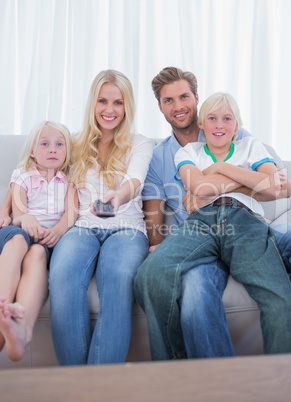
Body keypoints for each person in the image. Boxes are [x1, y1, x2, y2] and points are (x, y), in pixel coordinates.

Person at [134, 66, 291, 360]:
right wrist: (245, 181)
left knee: (280, 298)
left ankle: (283, 382)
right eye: (168, 100)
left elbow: (280, 187)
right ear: (159, 107)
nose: (178, 106)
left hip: (245, 222)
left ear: (196, 99)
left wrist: (221, 176)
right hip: (200, 230)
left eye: (184, 96)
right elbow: (193, 191)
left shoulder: (242, 139)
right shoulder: (175, 154)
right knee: (150, 276)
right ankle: (178, 373)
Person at [48, 69, 153, 365]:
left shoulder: (140, 142)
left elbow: (135, 180)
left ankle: (100, 389)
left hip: (127, 229)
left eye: (118, 103)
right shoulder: (73, 141)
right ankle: (76, 387)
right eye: (102, 101)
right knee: (63, 276)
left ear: (127, 106)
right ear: (92, 103)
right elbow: (35, 174)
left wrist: (118, 197)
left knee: (119, 279)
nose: (109, 110)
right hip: (81, 227)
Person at [0, 120, 77, 362]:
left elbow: (71, 212)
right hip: (16, 233)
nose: (53, 149)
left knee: (38, 254)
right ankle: (1, 303)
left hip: (44, 240)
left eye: (59, 144)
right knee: (20, 241)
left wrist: (58, 230)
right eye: (45, 144)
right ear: (33, 151)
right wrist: (25, 219)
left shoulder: (69, 178)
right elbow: (19, 211)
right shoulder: (23, 175)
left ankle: (20, 328)